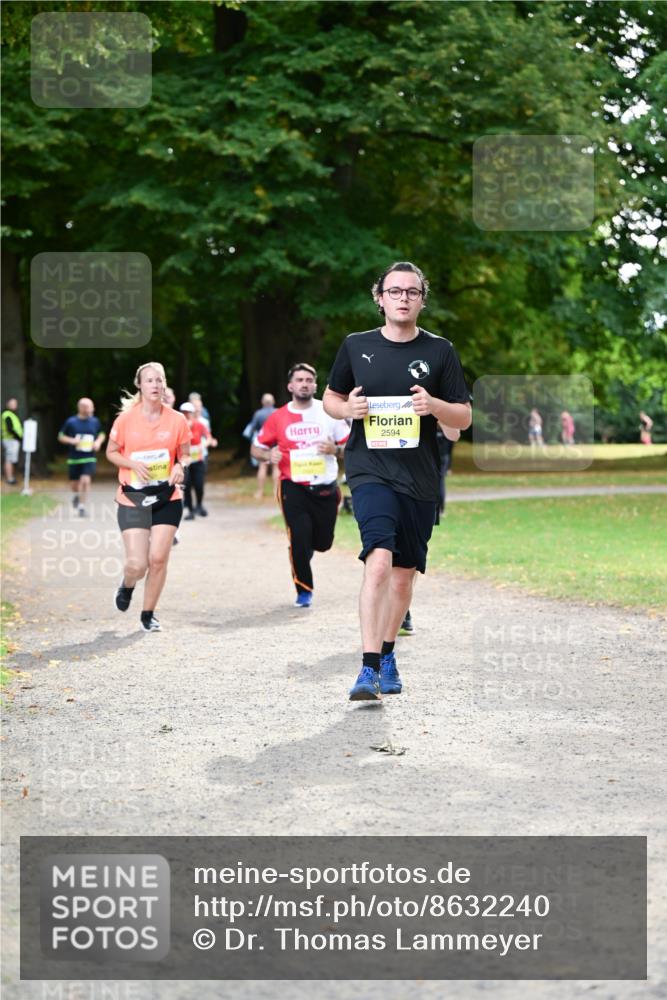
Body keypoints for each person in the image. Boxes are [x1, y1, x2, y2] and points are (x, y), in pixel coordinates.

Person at [323, 261, 472, 700]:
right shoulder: (356, 346)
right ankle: (368, 668)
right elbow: (330, 398)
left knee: (404, 578)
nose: (403, 298)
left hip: (420, 477)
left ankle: (388, 652)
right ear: (380, 297)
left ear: (422, 299)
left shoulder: (440, 351)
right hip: (369, 469)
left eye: (411, 292)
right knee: (380, 561)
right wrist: (345, 410)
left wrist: (435, 405)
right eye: (395, 291)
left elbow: (462, 418)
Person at [251, 363, 349, 608]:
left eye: (309, 380)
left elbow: (352, 448)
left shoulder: (329, 412)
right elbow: (256, 448)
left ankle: (302, 551)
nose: (304, 384)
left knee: (323, 543)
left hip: (326, 487)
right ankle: (303, 589)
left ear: (315, 385)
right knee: (299, 537)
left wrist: (335, 450)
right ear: (290, 386)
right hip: (292, 487)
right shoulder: (278, 417)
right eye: (300, 380)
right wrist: (267, 456)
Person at [106, 362, 190, 632]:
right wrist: (131, 464)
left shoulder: (177, 419)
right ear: (139, 385)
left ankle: (148, 613)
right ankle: (127, 585)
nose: (156, 385)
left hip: (167, 497)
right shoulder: (125, 420)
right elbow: (111, 452)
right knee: (137, 564)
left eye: (160, 380)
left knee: (158, 559)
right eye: (150, 380)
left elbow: (185, 453)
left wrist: (180, 466)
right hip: (133, 498)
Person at [399, 421, 460, 638]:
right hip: (381, 480)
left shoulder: (430, 392)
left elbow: (454, 432)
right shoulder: (376, 390)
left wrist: (435, 407)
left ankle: (402, 607)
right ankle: (396, 608)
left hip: (423, 483)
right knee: (382, 550)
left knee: (411, 557)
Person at [57, 398, 105, 517]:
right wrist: (72, 440)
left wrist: (98, 442)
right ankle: (76, 497)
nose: (92, 409)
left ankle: (82, 506)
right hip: (74, 458)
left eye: (92, 406)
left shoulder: (95, 421)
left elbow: (102, 434)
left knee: (85, 480)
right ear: (81, 408)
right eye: (89, 407)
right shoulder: (71, 422)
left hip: (89, 457)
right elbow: (61, 436)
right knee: (75, 484)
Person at [244, 393, 279, 498]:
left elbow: (252, 428)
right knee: (276, 467)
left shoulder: (258, 414)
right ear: (273, 402)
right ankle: (275, 491)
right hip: (276, 443)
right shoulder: (277, 412)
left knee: (262, 467)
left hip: (263, 443)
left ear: (263, 402)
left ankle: (260, 492)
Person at [179, 401, 210, 519]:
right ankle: (191, 510)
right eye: (184, 413)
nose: (187, 415)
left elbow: (208, 437)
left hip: (198, 459)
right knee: (186, 484)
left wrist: (204, 444)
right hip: (185, 461)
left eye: (189, 413)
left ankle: (199, 505)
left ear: (193, 413)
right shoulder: (179, 427)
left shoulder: (200, 425)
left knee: (199, 484)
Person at [2, 398, 23, 485]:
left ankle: (11, 477)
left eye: (15, 403)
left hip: (12, 440)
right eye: (12, 403)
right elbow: (9, 428)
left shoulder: (12, 414)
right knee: (9, 459)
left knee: (10, 459)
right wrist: (18, 437)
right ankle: (10, 478)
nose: (14, 405)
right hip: (10, 439)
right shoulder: (7, 414)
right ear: (7, 404)